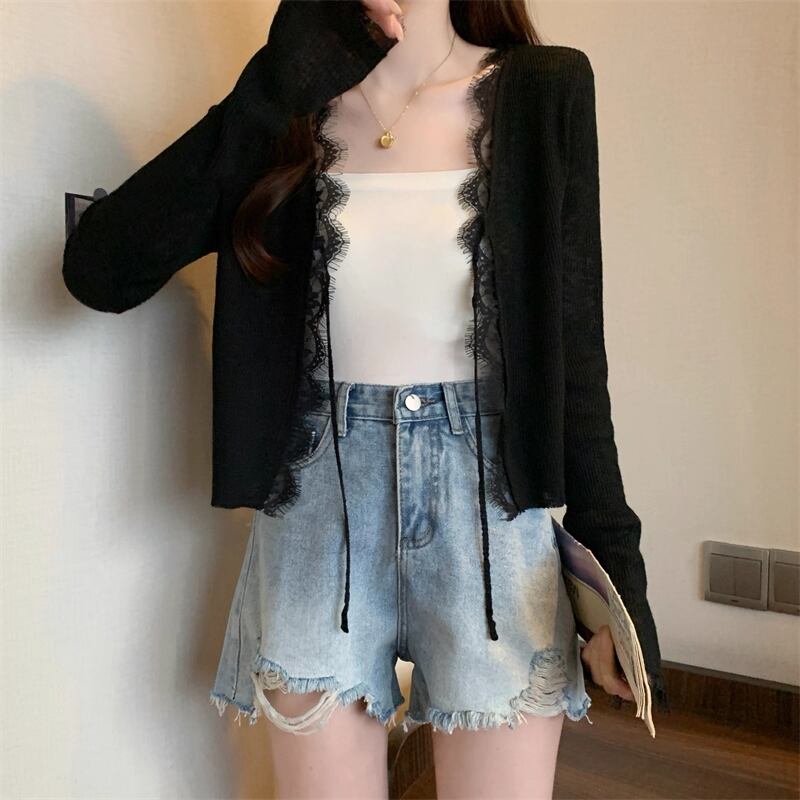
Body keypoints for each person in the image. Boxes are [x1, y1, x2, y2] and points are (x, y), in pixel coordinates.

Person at [62, 1, 666, 797]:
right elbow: (100, 270)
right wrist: (282, 79)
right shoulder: (289, 104)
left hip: (492, 525)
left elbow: (576, 348)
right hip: (317, 519)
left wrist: (617, 570)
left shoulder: (543, 89)